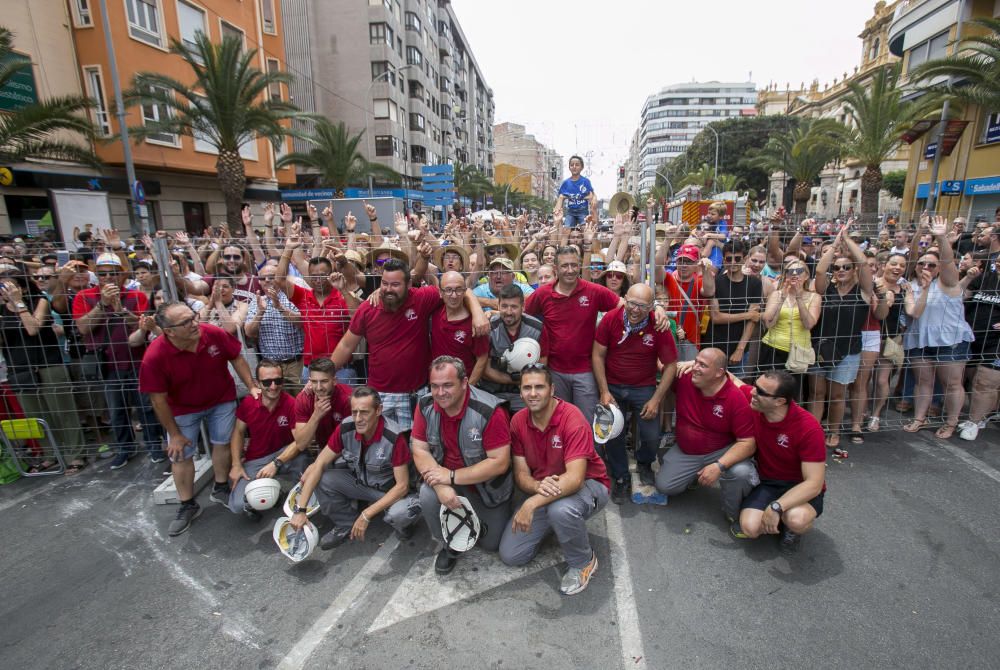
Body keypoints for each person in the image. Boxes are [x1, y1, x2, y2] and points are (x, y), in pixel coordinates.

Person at [139, 302, 261, 537]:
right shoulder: (154, 356)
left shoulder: (212, 333)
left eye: (193, 317)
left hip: (221, 399)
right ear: (169, 331)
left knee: (222, 443)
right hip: (182, 409)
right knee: (181, 453)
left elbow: (236, 358)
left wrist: (252, 387)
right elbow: (158, 400)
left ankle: (221, 486)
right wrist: (173, 434)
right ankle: (187, 504)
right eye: (185, 322)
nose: (194, 324)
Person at [331, 258, 487, 428]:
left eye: (395, 284)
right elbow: (346, 345)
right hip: (380, 395)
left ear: (409, 284)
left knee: (414, 445)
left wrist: (478, 312)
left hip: (415, 394)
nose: (388, 289)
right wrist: (326, 374)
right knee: (381, 445)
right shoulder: (368, 308)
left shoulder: (422, 298)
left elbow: (458, 290)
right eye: (385, 283)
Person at [499, 364, 609, 596]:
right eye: (527, 388)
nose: (533, 393)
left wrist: (531, 502)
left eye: (539, 387)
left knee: (561, 510)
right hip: (546, 489)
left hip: (590, 485)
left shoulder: (573, 418)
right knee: (511, 555)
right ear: (520, 392)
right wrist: (537, 486)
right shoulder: (518, 421)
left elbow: (576, 479)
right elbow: (521, 474)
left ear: (552, 389)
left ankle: (584, 562)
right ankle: (556, 524)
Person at [526, 246, 656, 426]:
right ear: (555, 268)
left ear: (580, 266)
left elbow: (626, 305)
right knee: (559, 422)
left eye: (574, 265)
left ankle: (589, 454)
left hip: (585, 371)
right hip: (554, 371)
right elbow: (521, 313)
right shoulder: (542, 294)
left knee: (587, 423)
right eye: (565, 266)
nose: (570, 270)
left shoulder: (593, 291)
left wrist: (657, 312)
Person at [411, 356, 512, 575]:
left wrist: (452, 477)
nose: (440, 393)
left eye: (447, 385)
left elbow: (500, 463)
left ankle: (482, 515)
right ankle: (450, 546)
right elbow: (419, 449)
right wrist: (441, 486)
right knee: (427, 494)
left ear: (464, 383)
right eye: (434, 386)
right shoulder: (425, 404)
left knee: (491, 543)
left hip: (486, 488)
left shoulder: (489, 411)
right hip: (448, 480)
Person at [292, 386, 419, 549]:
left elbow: (402, 486)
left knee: (400, 514)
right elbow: (320, 463)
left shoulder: (394, 437)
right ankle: (346, 524)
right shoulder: (346, 427)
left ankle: (402, 524)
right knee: (320, 477)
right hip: (360, 483)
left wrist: (366, 514)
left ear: (378, 410)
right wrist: (300, 510)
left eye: (364, 412)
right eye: (354, 412)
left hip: (388, 491)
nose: (358, 418)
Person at [73, 252, 161, 469]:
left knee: (146, 406)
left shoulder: (136, 296)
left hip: (138, 360)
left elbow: (142, 323)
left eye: (113, 274)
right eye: (103, 274)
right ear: (97, 276)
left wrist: (122, 312)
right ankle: (124, 449)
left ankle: (154, 445)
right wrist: (102, 304)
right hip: (107, 364)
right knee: (116, 410)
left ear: (122, 276)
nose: (108, 278)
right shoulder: (83, 296)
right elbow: (83, 327)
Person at [593, 283, 677, 502]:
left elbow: (671, 365)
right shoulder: (611, 319)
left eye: (641, 305)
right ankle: (621, 477)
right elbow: (598, 355)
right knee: (614, 434)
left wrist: (657, 399)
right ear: (624, 299)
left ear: (651, 306)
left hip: (643, 387)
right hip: (613, 386)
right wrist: (603, 391)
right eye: (631, 303)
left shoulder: (659, 327)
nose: (635, 309)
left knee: (651, 434)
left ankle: (644, 462)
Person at [654, 348, 758, 522]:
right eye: (695, 361)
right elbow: (661, 365)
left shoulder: (735, 398)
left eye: (703, 365)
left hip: (721, 451)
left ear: (719, 373)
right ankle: (695, 475)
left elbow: (748, 442)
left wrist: (719, 466)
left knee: (741, 472)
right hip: (688, 451)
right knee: (665, 486)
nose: (695, 367)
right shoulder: (685, 376)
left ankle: (733, 513)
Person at [0, 263, 85, 473]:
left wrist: (18, 304)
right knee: (36, 415)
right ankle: (51, 454)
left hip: (48, 364)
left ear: (23, 288)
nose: (5, 292)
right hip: (19, 369)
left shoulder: (39, 301)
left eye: (9, 287)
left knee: (63, 411)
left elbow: (32, 328)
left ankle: (75, 454)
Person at [731, 370, 826, 552]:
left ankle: (790, 527)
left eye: (760, 391)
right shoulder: (758, 402)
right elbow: (730, 377)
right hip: (769, 482)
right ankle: (776, 517)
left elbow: (814, 483)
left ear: (780, 401)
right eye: (755, 386)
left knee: (796, 519)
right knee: (750, 529)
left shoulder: (809, 428)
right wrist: (688, 363)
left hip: (800, 486)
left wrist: (777, 506)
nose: (752, 392)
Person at [903, 218, 974, 439]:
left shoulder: (949, 281)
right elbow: (914, 312)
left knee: (952, 383)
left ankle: (951, 422)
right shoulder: (912, 285)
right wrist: (921, 231)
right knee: (923, 381)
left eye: (932, 265)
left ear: (940, 267)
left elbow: (948, 260)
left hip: (950, 341)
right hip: (919, 340)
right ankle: (919, 418)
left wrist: (942, 238)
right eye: (922, 264)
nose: (925, 267)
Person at [808, 228, 873, 450]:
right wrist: (835, 245)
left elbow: (864, 263)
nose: (841, 270)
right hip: (820, 347)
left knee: (837, 395)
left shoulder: (863, 291)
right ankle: (814, 430)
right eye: (837, 268)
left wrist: (848, 240)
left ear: (853, 269)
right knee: (817, 392)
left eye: (846, 267)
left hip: (849, 350)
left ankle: (834, 431)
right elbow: (819, 270)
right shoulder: (827, 289)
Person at [227, 359, 308, 519]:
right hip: (256, 458)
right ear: (258, 383)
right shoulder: (249, 403)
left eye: (278, 381)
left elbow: (299, 442)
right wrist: (236, 464)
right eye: (267, 382)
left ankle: (300, 500)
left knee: (305, 469)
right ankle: (273, 494)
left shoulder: (292, 403)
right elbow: (238, 432)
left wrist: (276, 463)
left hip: (285, 454)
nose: (273, 386)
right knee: (237, 506)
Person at [276, 231, 353, 383]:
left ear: (331, 274)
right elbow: (279, 280)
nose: (318, 280)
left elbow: (356, 315)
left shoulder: (341, 296)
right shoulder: (303, 296)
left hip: (340, 369)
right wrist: (288, 248)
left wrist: (343, 290)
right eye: (313, 276)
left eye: (323, 275)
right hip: (310, 369)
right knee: (312, 407)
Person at [480, 284, 543, 412]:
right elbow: (485, 370)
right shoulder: (488, 328)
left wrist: (523, 383)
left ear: (523, 307)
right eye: (504, 306)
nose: (509, 312)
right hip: (492, 392)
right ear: (498, 306)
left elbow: (542, 366)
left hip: (525, 393)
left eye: (514, 307)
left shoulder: (537, 329)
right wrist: (513, 381)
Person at [244, 263, 305, 392]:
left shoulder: (292, 297)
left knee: (300, 401)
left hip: (295, 364)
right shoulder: (256, 302)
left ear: (279, 278)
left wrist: (280, 307)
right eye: (262, 278)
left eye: (272, 277)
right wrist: (260, 312)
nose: (266, 280)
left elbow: (303, 323)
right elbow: (249, 332)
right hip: (270, 366)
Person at [709, 241, 763, 376]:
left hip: (740, 347)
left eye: (737, 258)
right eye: (729, 258)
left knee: (737, 389)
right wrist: (747, 315)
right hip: (715, 344)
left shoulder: (755, 283)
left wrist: (740, 349)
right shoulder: (716, 282)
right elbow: (716, 317)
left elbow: (753, 319)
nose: (733, 262)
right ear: (723, 260)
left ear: (744, 259)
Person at [431, 271, 489, 384]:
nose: (454, 295)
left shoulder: (475, 324)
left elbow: (482, 359)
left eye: (458, 289)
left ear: (464, 291)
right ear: (440, 292)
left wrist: (468, 388)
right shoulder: (435, 311)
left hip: (461, 386)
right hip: (437, 385)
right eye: (448, 290)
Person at [292, 358, 354, 452]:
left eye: (324, 381)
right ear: (309, 381)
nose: (319, 387)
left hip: (346, 449)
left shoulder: (348, 399)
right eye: (314, 381)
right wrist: (316, 416)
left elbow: (352, 440)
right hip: (322, 448)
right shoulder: (304, 399)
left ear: (334, 381)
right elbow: (301, 444)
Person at [553, 155, 596, 228]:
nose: (574, 167)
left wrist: (593, 203)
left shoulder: (585, 181)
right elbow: (560, 198)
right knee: (566, 230)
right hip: (570, 212)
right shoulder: (566, 183)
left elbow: (592, 195)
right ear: (569, 167)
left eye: (577, 165)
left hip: (583, 211)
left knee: (584, 229)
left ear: (582, 167)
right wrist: (557, 212)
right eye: (572, 165)